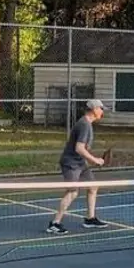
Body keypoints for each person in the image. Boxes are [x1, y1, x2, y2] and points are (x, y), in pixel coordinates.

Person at [47, 99, 108, 234]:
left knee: (93, 187)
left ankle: (90, 219)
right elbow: (79, 148)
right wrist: (95, 160)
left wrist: (90, 160)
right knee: (72, 192)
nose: (102, 112)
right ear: (94, 110)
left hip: (80, 163)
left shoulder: (87, 124)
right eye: (101, 109)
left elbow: (82, 149)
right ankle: (55, 223)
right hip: (71, 163)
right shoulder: (84, 125)